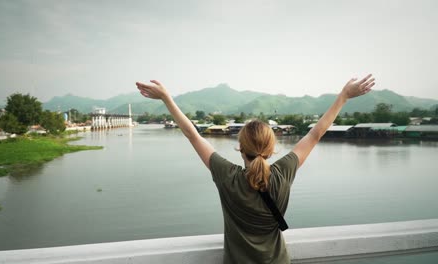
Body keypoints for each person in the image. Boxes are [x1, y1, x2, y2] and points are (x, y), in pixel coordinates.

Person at [136, 75, 375, 264]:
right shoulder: (283, 172)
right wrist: (343, 96)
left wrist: (167, 98)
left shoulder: (226, 175)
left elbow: (193, 134)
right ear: (272, 150)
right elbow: (315, 133)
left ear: (240, 148)